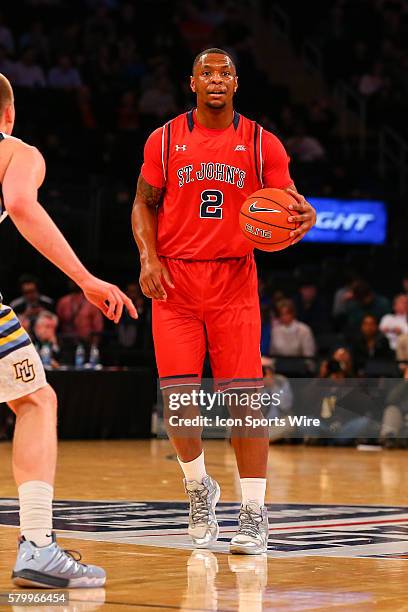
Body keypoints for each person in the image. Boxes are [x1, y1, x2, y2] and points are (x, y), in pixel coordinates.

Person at [131, 48, 316, 555]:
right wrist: (148, 257)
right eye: (207, 72)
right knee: (179, 405)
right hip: (175, 283)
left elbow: (291, 205)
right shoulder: (165, 138)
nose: (217, 79)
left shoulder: (261, 143)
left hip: (234, 281)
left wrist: (306, 219)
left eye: (226, 72)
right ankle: (198, 488)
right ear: (192, 82)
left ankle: (254, 513)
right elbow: (143, 202)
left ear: (236, 82)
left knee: (244, 404)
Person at [0, 74, 137, 588]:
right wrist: (86, 280)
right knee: (37, 402)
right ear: (8, 115)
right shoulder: (16, 150)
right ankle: (37, 545)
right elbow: (19, 204)